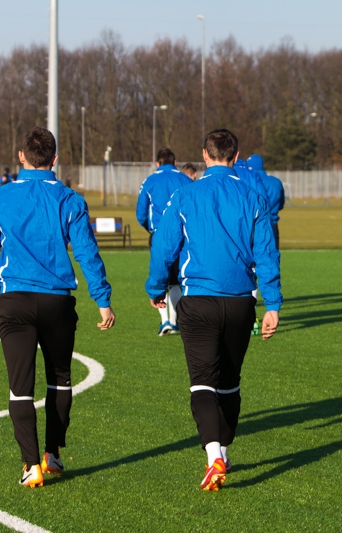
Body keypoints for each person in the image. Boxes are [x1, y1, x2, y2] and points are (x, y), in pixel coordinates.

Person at [0, 126, 116, 488]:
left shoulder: (2, 198)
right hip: (56, 302)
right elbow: (87, 253)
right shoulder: (69, 199)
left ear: (21, 157)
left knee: (20, 387)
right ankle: (52, 454)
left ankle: (29, 465)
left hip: (15, 301)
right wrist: (102, 300)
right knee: (60, 379)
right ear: (55, 160)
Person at [145, 129, 282, 491]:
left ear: (205, 155)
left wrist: (155, 286)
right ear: (235, 157)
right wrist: (273, 303)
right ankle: (222, 448)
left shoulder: (185, 195)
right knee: (230, 381)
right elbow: (267, 255)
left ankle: (214, 454)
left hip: (199, 302)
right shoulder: (254, 196)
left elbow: (164, 247)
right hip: (240, 303)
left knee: (202, 382)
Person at [136, 147, 191, 336]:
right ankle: (175, 322)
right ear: (175, 162)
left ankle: (164, 320)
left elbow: (141, 213)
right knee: (176, 281)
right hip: (182, 236)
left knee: (161, 278)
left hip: (159, 234)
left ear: (157, 163)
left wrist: (151, 230)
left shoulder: (149, 181)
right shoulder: (185, 179)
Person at [247, 154, 285, 249]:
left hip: (253, 226)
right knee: (272, 259)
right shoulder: (276, 181)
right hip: (273, 225)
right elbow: (281, 204)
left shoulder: (248, 181)